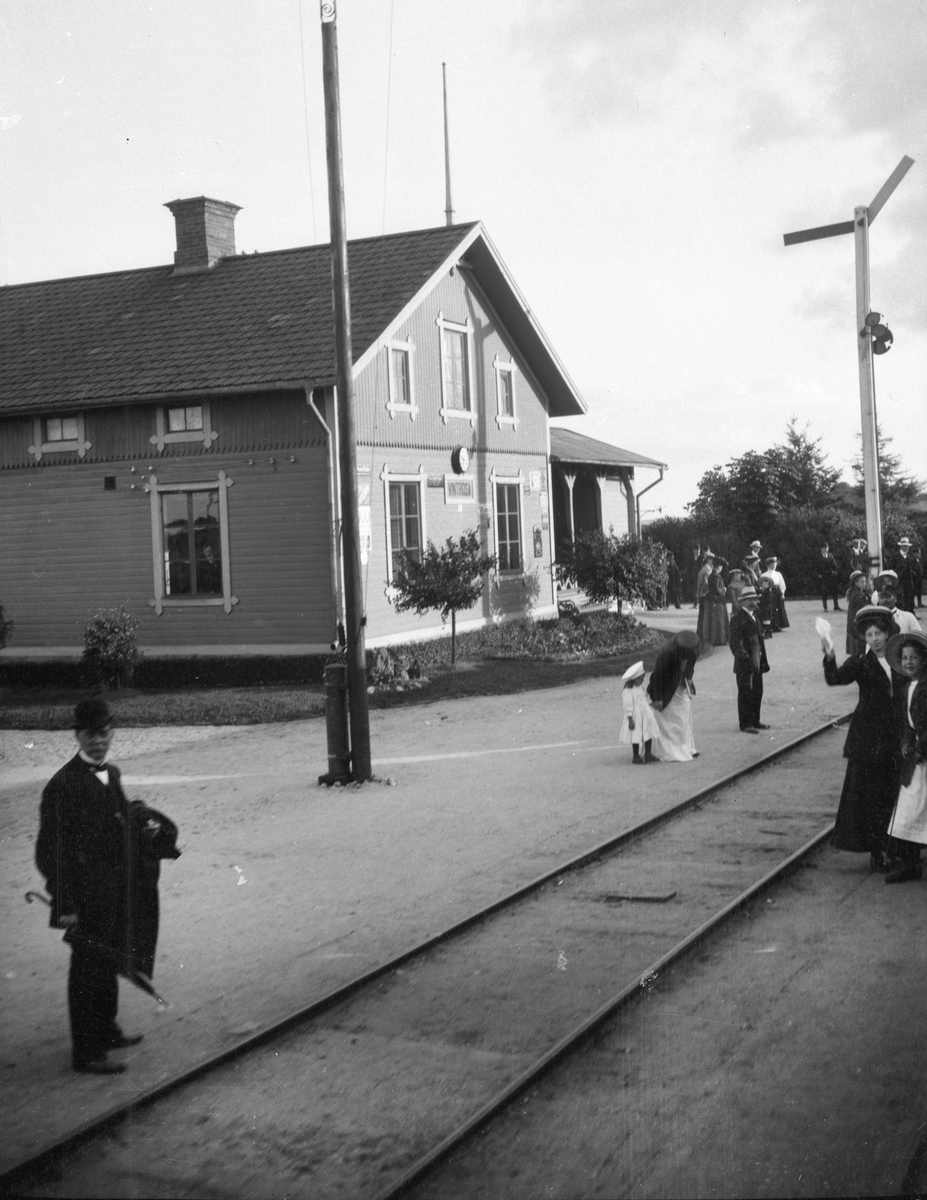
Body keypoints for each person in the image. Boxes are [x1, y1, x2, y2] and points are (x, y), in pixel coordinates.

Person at [36, 698, 181, 1074]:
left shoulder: (112, 774)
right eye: (90, 735)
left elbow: (118, 823)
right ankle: (86, 1052)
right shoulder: (62, 785)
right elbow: (49, 852)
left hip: (116, 891)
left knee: (110, 959)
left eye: (104, 733)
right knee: (86, 969)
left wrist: (145, 827)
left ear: (112, 733)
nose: (98, 741)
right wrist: (66, 903)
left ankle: (107, 1031)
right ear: (77, 736)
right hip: (84, 896)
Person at [821, 606, 902, 873]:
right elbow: (835, 678)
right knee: (872, 797)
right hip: (869, 739)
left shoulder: (901, 659)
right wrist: (829, 654)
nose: (874, 639)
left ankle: (900, 848)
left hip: (897, 736)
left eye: (878, 633)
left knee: (895, 793)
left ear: (888, 634)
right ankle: (877, 852)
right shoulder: (860, 663)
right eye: (869, 635)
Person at [883, 632, 927, 882]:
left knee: (923, 806)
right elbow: (907, 722)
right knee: (909, 806)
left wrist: (922, 745)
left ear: (924, 660)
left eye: (914, 658)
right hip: (916, 758)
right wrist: (905, 742)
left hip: (925, 753)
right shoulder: (906, 688)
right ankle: (910, 861)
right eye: (905, 658)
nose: (909, 662)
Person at [646, 631, 700, 761]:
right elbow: (657, 677)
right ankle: (669, 751)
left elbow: (690, 666)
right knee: (669, 721)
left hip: (680, 686)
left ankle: (686, 747)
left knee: (683, 719)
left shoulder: (692, 650)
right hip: (665, 690)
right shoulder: (667, 655)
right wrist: (657, 698)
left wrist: (689, 679)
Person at [728, 585, 770, 733]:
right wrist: (746, 659)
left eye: (755, 599)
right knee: (746, 693)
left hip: (757, 661)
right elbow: (735, 644)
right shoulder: (737, 618)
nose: (753, 602)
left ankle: (755, 720)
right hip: (745, 664)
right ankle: (746, 724)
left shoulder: (755, 616)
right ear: (743, 602)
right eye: (750, 600)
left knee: (758, 691)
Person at [619, 661, 658, 764]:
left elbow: (644, 698)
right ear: (634, 679)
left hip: (645, 714)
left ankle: (648, 754)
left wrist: (651, 703)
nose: (642, 681)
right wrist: (630, 719)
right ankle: (636, 756)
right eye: (641, 679)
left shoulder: (640, 687)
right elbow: (628, 706)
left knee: (648, 732)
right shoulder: (628, 691)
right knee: (636, 735)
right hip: (636, 716)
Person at [698, 560, 729, 647]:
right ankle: (718, 639)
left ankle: (715, 639)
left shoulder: (713, 575)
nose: (721, 568)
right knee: (718, 620)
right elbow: (716, 589)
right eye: (721, 566)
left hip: (712, 600)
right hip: (717, 600)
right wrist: (723, 590)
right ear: (719, 567)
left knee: (714, 620)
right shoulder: (716, 576)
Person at [845, 570, 871, 658]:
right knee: (859, 645)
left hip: (852, 623)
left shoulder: (856, 592)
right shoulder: (858, 595)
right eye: (862, 582)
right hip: (857, 623)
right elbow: (861, 609)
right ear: (856, 582)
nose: (864, 584)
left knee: (856, 649)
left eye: (865, 582)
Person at [760, 556, 789, 630]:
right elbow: (762, 586)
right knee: (771, 608)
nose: (774, 565)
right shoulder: (764, 575)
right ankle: (772, 625)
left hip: (777, 592)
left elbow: (782, 584)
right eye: (772, 564)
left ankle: (779, 625)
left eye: (775, 564)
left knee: (779, 608)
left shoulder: (778, 574)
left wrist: (782, 593)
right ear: (768, 565)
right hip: (769, 592)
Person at [892, 537, 919, 615]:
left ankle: (911, 615)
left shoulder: (910, 557)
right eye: (904, 546)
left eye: (907, 546)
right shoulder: (895, 557)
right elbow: (892, 570)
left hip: (909, 583)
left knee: (910, 601)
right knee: (900, 601)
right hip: (899, 583)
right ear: (901, 546)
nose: (906, 548)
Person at [817, 543, 841, 611]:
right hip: (824, 576)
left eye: (826, 548)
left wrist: (835, 571)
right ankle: (825, 607)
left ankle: (836, 606)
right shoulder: (819, 557)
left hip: (831, 575)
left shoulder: (830, 555)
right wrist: (819, 574)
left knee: (835, 591)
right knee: (824, 592)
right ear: (821, 549)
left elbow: (834, 564)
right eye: (823, 548)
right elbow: (816, 567)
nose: (825, 549)